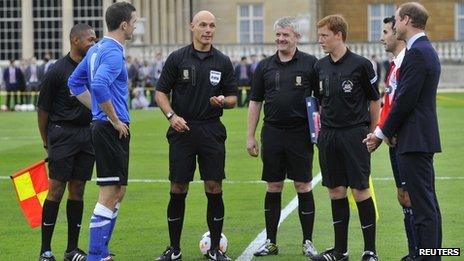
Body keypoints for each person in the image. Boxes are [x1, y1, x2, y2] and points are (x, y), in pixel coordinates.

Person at [154, 10, 237, 261]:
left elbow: (233, 98)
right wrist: (172, 117)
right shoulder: (177, 58)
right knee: (178, 187)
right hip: (183, 129)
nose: (208, 29)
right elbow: (160, 93)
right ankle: (174, 248)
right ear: (192, 26)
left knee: (214, 186)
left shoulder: (222, 61)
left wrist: (223, 101)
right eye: (203, 24)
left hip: (211, 129)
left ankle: (214, 249)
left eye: (212, 25)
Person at [364, 3, 442, 260]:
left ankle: (429, 256)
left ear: (406, 20)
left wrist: (379, 134)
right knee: (426, 205)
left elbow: (404, 101)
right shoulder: (420, 50)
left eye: (396, 21)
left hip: (414, 139)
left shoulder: (417, 53)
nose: (393, 26)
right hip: (416, 137)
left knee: (423, 207)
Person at [67, 2, 137, 261]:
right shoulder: (111, 52)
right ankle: (96, 255)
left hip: (107, 126)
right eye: (135, 22)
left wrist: (99, 110)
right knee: (109, 192)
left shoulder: (96, 50)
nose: (135, 27)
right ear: (124, 24)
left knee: (118, 190)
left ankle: (102, 252)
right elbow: (98, 84)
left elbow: (74, 83)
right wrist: (113, 118)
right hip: (110, 128)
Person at [246, 16, 318, 258]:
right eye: (278, 34)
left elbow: (321, 101)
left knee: (303, 185)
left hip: (300, 134)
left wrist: (320, 131)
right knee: (273, 185)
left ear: (297, 37)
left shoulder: (310, 64)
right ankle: (271, 242)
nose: (280, 39)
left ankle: (308, 241)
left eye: (285, 35)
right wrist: (250, 136)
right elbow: (255, 102)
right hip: (273, 132)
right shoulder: (265, 67)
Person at [310, 15, 381, 261]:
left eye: (324, 36)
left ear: (338, 34)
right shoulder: (319, 66)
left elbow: (375, 100)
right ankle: (340, 252)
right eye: (319, 36)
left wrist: (372, 132)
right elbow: (316, 103)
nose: (320, 40)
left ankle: (370, 251)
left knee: (360, 191)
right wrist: (317, 132)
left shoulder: (361, 64)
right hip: (328, 136)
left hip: (355, 134)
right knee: (336, 192)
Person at [36, 23, 96, 261]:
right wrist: (47, 142)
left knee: (78, 190)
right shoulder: (57, 71)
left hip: (86, 134)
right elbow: (43, 110)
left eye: (95, 39)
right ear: (75, 41)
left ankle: (72, 249)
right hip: (62, 134)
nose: (94, 43)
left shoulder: (92, 68)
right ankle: (45, 250)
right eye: (90, 39)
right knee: (56, 190)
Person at [365, 16, 417, 261]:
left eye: (385, 31)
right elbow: (389, 104)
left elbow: (402, 104)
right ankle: (414, 252)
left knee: (414, 197)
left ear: (397, 33)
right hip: (393, 139)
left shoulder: (407, 62)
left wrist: (381, 133)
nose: (381, 37)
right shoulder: (395, 64)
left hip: (404, 140)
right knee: (404, 196)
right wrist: (381, 131)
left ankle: (422, 252)